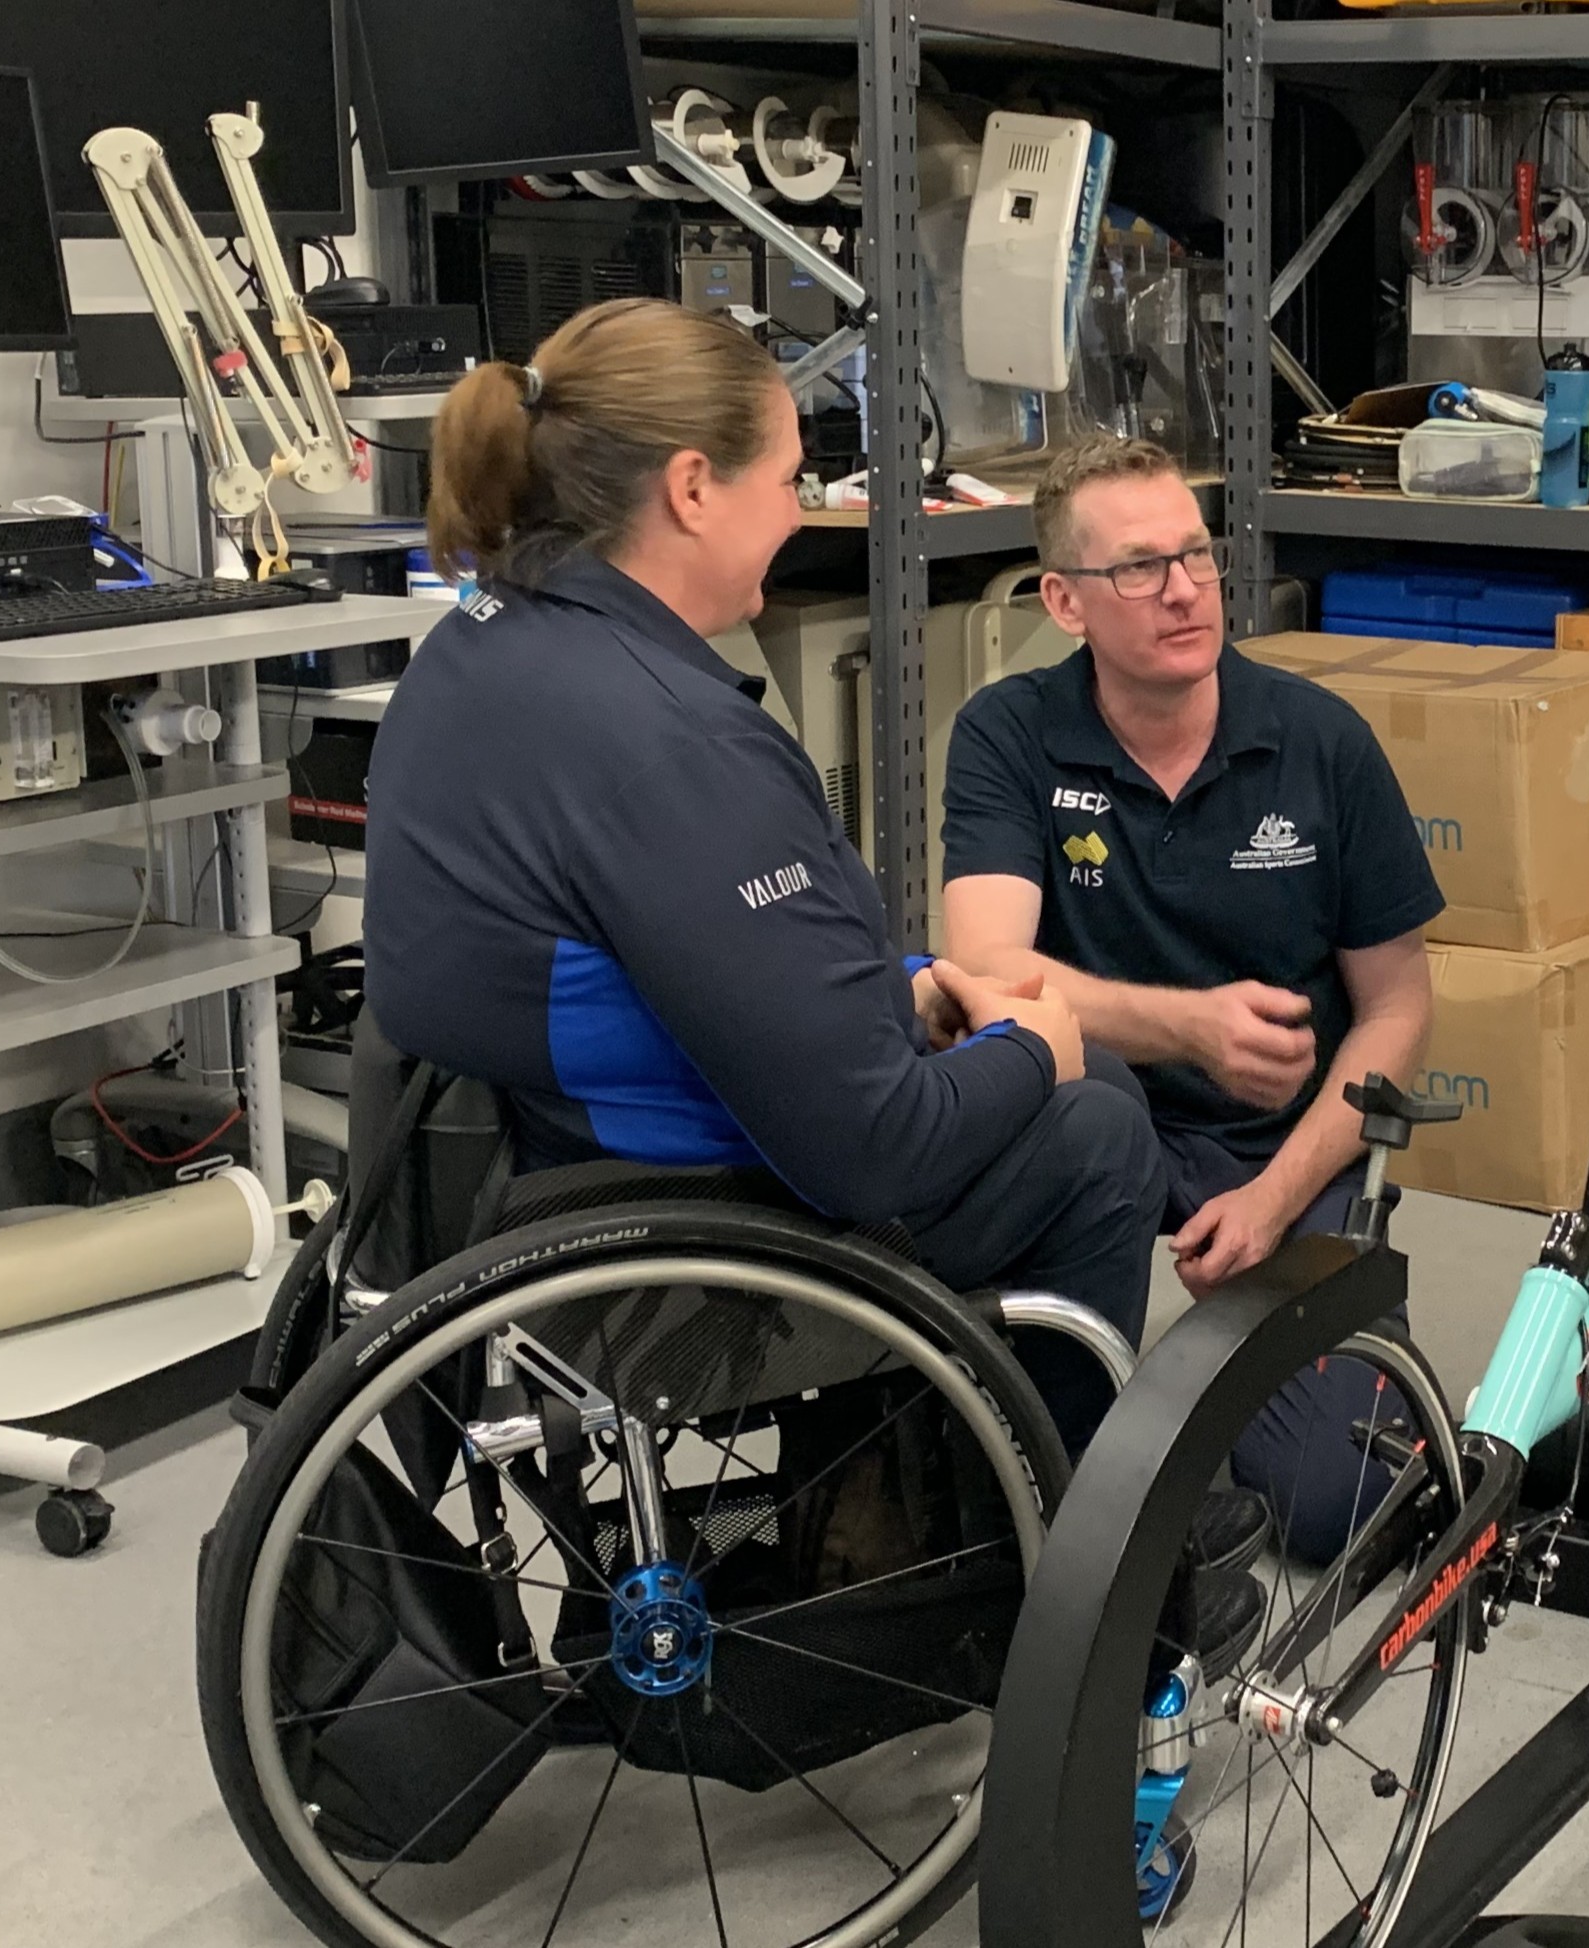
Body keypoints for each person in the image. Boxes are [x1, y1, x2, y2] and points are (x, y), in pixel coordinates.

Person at [358, 302, 1267, 1627]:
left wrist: (903, 992)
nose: (796, 513)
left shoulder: (485, 645)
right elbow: (872, 1152)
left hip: (528, 1159)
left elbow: (656, 951)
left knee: (1018, 1058)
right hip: (673, 1234)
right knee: (1093, 1123)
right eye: (786, 479)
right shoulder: (673, 739)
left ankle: (915, 1499)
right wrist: (1035, 1048)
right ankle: (1065, 1581)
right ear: (691, 489)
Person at [938, 437, 1442, 1559]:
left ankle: (1213, 1382)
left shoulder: (1319, 742)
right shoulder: (1010, 734)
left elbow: (1398, 1008)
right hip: (1087, 1130)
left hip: (1276, 1145)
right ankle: (1086, 1426)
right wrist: (1192, 1028)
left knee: (1341, 1502)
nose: (1183, 589)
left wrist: (1274, 1199)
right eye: (1138, 567)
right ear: (1063, 602)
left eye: (1196, 554)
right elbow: (988, 972)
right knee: (1030, 1474)